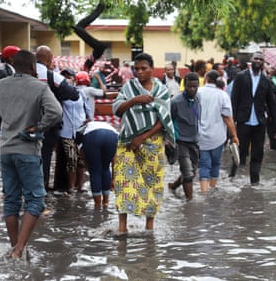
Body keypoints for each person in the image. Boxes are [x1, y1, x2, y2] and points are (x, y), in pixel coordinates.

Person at [0, 49, 62, 259]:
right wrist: (39, 126)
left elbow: (2, 115)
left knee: (11, 200)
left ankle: (15, 248)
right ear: (33, 67)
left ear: (13, 64)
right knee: (36, 200)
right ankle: (20, 249)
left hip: (6, 149)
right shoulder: (40, 86)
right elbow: (56, 112)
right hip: (27, 150)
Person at [112, 52, 175, 235]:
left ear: (151, 70)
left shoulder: (161, 90)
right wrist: (134, 100)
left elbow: (164, 119)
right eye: (136, 68)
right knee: (123, 181)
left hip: (152, 143)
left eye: (143, 68)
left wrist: (142, 137)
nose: (139, 72)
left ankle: (149, 227)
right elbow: (117, 109)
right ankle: (122, 227)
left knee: (152, 183)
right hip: (127, 142)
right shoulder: (129, 88)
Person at [230, 50, 276, 185]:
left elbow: (272, 104)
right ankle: (232, 178)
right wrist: (232, 121)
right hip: (243, 121)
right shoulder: (241, 77)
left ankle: (255, 182)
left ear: (263, 63)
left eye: (261, 59)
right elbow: (234, 100)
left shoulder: (266, 80)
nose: (258, 61)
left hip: (259, 122)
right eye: (256, 58)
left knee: (258, 153)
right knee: (240, 151)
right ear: (251, 60)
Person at [36, 45, 79, 192]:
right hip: (48, 126)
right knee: (45, 157)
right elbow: (73, 94)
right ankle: (40, 191)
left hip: (24, 123)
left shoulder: (22, 75)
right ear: (49, 60)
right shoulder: (52, 76)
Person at [198, 70, 239, 192]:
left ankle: (204, 192)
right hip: (218, 136)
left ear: (206, 79)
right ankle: (212, 188)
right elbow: (227, 118)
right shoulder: (223, 95)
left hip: (201, 135)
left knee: (204, 164)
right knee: (215, 163)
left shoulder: (198, 92)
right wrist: (234, 135)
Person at [168, 72, 200, 201]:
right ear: (184, 86)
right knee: (187, 173)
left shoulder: (199, 99)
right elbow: (168, 120)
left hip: (194, 140)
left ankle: (173, 186)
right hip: (180, 142)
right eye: (189, 86)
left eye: (195, 86)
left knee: (192, 172)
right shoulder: (176, 102)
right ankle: (189, 203)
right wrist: (168, 139)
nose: (192, 89)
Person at [59, 75, 94, 194]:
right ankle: (71, 186)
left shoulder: (81, 93)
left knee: (81, 160)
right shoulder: (61, 95)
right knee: (71, 158)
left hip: (81, 129)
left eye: (70, 78)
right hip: (66, 131)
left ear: (74, 80)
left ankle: (81, 186)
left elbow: (87, 108)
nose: (68, 80)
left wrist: (90, 119)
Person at [82, 121, 118, 209]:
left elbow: (81, 153)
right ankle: (106, 203)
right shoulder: (109, 126)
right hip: (113, 136)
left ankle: (97, 205)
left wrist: (88, 166)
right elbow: (115, 159)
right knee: (105, 168)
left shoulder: (82, 130)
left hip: (93, 136)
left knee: (95, 171)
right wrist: (114, 178)